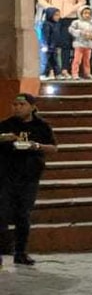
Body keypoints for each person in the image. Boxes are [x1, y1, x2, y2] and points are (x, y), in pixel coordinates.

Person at [0, 93, 58, 267]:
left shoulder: (42, 126)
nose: (17, 108)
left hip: (29, 177)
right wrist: (4, 138)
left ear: (32, 107)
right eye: (15, 104)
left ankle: (20, 252)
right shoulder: (6, 125)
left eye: (22, 104)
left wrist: (36, 146)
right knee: (1, 215)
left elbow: (53, 148)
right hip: (6, 177)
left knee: (23, 215)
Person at [37, 0, 87, 72]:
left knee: (66, 44)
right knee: (51, 43)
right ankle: (50, 69)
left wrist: (72, 9)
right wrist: (51, 9)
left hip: (69, 17)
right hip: (53, 18)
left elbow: (82, 1)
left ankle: (64, 69)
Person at [39, 7, 70, 80]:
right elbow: (45, 35)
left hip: (54, 47)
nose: (57, 17)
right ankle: (43, 74)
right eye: (55, 15)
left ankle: (57, 74)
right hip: (48, 46)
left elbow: (57, 36)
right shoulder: (46, 24)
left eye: (58, 15)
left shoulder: (57, 24)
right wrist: (45, 45)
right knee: (46, 61)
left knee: (55, 61)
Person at [69, 6, 92, 79]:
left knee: (87, 60)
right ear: (81, 13)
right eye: (85, 13)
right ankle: (75, 73)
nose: (87, 15)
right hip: (79, 44)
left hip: (88, 45)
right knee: (77, 60)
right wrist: (80, 33)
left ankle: (87, 73)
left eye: (89, 13)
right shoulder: (76, 22)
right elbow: (71, 30)